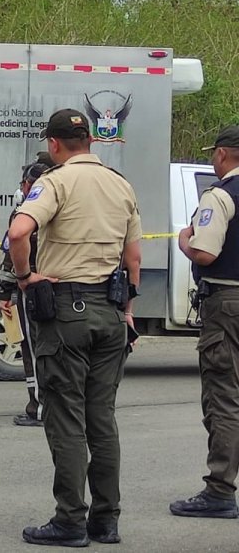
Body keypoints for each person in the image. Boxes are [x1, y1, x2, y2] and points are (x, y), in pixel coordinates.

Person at [8, 109, 142, 547]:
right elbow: (134, 258)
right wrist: (127, 307)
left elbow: (19, 231)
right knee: (102, 419)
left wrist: (26, 276)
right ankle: (106, 520)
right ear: (91, 141)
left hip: (67, 311)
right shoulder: (120, 185)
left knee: (66, 419)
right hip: (111, 311)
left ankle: (69, 520)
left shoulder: (56, 181)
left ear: (54, 144)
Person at [169, 125, 239, 519]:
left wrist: (184, 239)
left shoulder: (221, 196)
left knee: (224, 397)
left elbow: (205, 253)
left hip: (228, 303)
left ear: (224, 155)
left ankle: (219, 490)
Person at [0, 152, 56, 428]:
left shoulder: (26, 212)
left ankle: (39, 407)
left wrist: (6, 292)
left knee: (33, 349)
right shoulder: (63, 204)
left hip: (31, 288)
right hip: (64, 286)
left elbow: (11, 253)